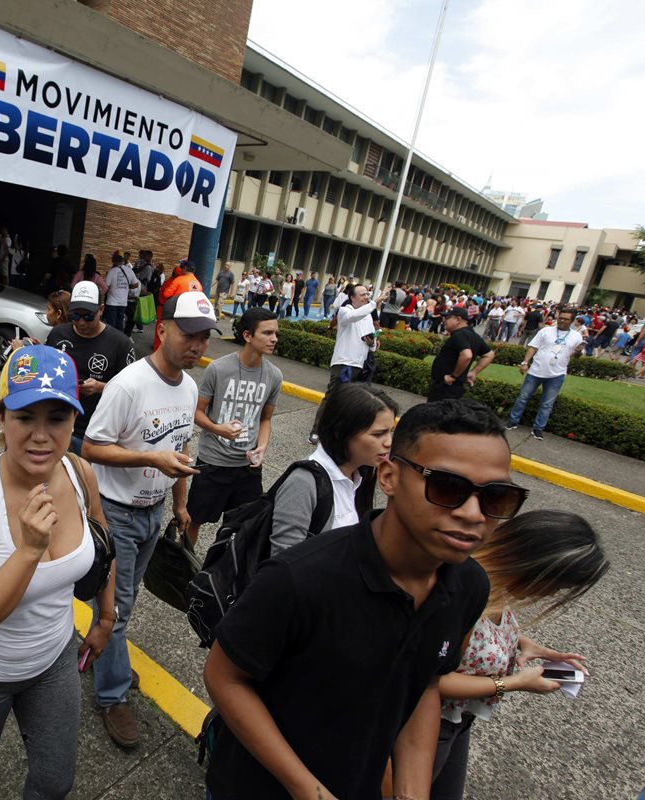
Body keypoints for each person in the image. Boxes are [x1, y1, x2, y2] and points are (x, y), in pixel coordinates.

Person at [204, 399, 522, 800]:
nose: (474, 514)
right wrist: (310, 791)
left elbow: (424, 682)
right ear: (389, 477)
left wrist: (411, 791)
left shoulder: (469, 586)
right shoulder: (300, 578)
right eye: (447, 487)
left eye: (496, 497)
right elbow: (224, 677)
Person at [0, 344, 116, 800]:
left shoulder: (79, 472)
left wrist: (107, 617)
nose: (40, 436)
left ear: (74, 422)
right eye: (24, 417)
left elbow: (103, 543)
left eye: (57, 418)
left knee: (55, 782)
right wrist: (29, 551)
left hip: (54, 660)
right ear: (1, 418)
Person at [82, 290, 216, 748]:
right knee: (115, 609)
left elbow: (180, 448)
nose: (197, 346)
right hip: (116, 513)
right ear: (162, 330)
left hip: (154, 513)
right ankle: (111, 695)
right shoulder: (128, 385)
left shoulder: (190, 387)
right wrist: (150, 459)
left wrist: (180, 504)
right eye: (188, 335)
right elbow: (91, 447)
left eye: (204, 337)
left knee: (124, 602)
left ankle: (105, 654)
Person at [430, 509, 609, 799]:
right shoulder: (464, 593)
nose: (551, 595)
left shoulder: (493, 586)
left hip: (459, 720)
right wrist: (514, 683)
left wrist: (521, 642)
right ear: (534, 565)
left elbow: (481, 632)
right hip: (429, 724)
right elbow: (433, 682)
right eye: (556, 586)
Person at [185, 307, 282, 544]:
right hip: (213, 464)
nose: (274, 339)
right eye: (267, 333)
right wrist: (218, 429)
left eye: (275, 333)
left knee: (241, 529)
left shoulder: (274, 375)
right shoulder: (219, 369)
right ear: (248, 335)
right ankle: (182, 562)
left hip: (247, 469)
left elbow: (265, 419)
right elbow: (197, 412)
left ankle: (222, 566)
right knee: (193, 520)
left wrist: (262, 447)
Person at [271, 382, 399, 556]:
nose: (389, 442)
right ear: (340, 432)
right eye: (378, 434)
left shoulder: (360, 474)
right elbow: (284, 562)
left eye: (391, 431)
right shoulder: (303, 483)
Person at [46, 281, 136, 455]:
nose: (80, 322)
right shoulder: (58, 334)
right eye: (75, 315)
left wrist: (100, 387)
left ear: (101, 310)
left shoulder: (120, 344)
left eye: (88, 316)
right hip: (57, 426)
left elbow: (133, 392)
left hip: (95, 433)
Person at [309, 282, 376, 442]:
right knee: (332, 398)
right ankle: (317, 431)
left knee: (352, 402)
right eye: (362, 294)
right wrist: (375, 303)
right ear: (352, 297)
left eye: (367, 294)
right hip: (344, 363)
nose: (366, 297)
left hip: (361, 365)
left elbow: (373, 343)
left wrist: (372, 343)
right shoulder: (346, 311)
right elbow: (354, 317)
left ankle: (339, 433)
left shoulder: (368, 316)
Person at [505, 307, 585, 440]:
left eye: (565, 319)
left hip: (557, 374)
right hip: (536, 371)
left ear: (572, 321)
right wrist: (525, 362)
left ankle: (538, 428)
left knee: (547, 404)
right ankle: (513, 421)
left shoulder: (576, 336)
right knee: (523, 397)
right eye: (560, 317)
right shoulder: (546, 331)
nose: (561, 320)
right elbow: (533, 347)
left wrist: (578, 352)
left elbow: (576, 356)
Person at [428, 307, 494, 402]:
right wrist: (474, 372)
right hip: (454, 387)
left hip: (446, 387)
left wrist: (453, 376)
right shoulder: (474, 336)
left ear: (458, 320)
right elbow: (489, 354)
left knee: (436, 410)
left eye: (447, 318)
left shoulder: (459, 335)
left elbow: (467, 355)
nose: (444, 321)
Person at [154, 259, 204, 349]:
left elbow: (166, 294)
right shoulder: (198, 284)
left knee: (164, 331)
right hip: (189, 316)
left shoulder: (179, 280)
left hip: (174, 313)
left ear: (185, 268)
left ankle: (159, 351)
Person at [103, 250, 139, 331]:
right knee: (119, 324)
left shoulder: (112, 271)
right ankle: (119, 338)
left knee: (111, 325)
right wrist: (126, 286)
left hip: (111, 302)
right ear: (123, 260)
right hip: (123, 303)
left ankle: (111, 338)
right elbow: (136, 284)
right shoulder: (129, 270)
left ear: (114, 260)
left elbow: (106, 286)